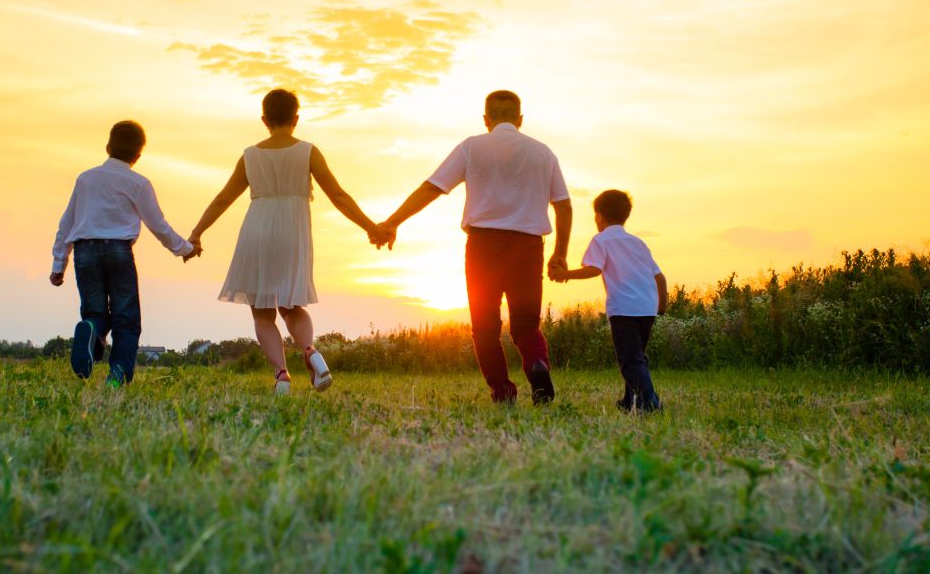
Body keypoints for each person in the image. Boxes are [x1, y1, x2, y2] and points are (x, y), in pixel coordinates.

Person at [373, 90, 571, 404]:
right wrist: (560, 254)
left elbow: (432, 187)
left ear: (486, 119)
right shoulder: (543, 153)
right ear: (520, 120)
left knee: (484, 326)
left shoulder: (471, 147)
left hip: (483, 246)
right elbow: (563, 206)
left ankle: (503, 390)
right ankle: (537, 363)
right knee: (526, 325)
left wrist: (393, 221)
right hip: (528, 246)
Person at [188, 89, 387, 394]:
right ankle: (310, 351)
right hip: (293, 232)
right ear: (296, 118)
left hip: (257, 230)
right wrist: (370, 226)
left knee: (262, 311)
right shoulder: (308, 151)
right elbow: (338, 196)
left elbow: (224, 198)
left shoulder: (250, 155)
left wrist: (197, 232)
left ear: (264, 119)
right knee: (291, 306)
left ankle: (282, 374)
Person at [49, 121, 199, 387]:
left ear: (107, 147)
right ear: (138, 156)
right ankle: (116, 377)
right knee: (126, 319)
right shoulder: (138, 183)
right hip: (118, 251)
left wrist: (59, 262)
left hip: (84, 251)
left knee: (94, 312)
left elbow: (67, 223)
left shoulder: (85, 179)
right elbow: (158, 225)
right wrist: (184, 249)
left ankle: (92, 331)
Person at [556, 190, 666, 412]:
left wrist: (565, 275)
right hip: (647, 308)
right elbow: (659, 277)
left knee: (630, 360)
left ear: (599, 216)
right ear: (625, 215)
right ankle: (629, 402)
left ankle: (650, 401)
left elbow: (594, 269)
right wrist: (661, 306)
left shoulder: (601, 240)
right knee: (636, 356)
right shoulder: (638, 243)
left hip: (624, 309)